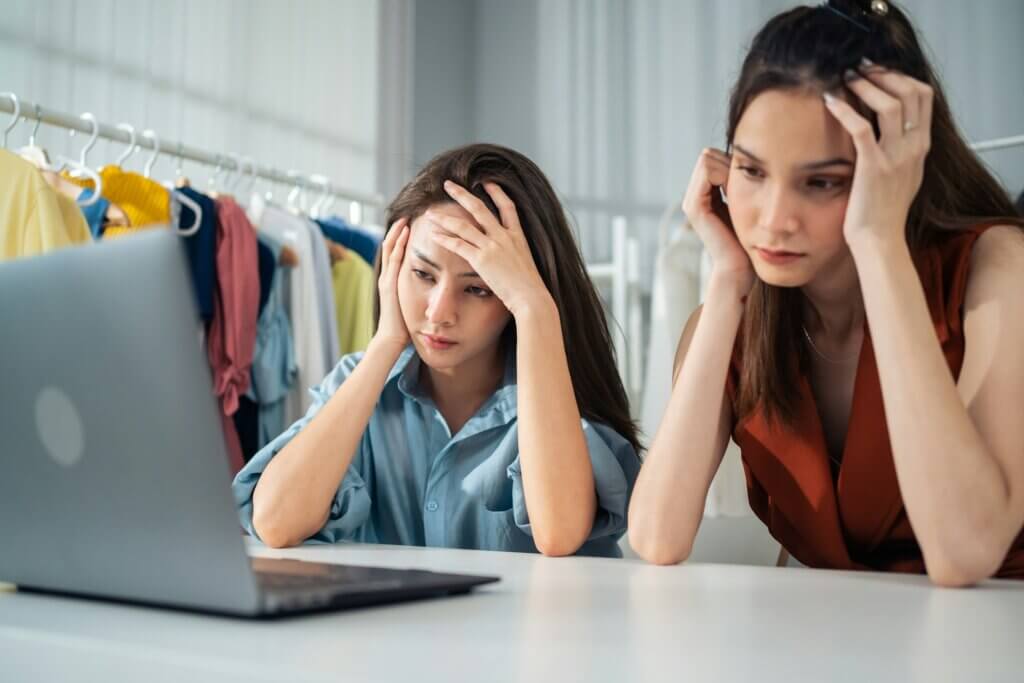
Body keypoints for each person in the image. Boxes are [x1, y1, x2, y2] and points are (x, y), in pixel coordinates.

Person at [629, 0, 1024, 585]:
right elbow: (657, 536)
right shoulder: (735, 314)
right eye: (752, 171)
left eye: (821, 183)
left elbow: (963, 554)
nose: (773, 220)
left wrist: (879, 241)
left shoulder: (996, 270)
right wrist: (727, 279)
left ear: (897, 166)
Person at [234, 143, 641, 557]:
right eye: (422, 274)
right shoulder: (358, 383)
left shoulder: (556, 396)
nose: (439, 311)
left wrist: (536, 309)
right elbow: (275, 522)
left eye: (478, 288)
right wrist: (385, 345)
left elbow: (559, 534)